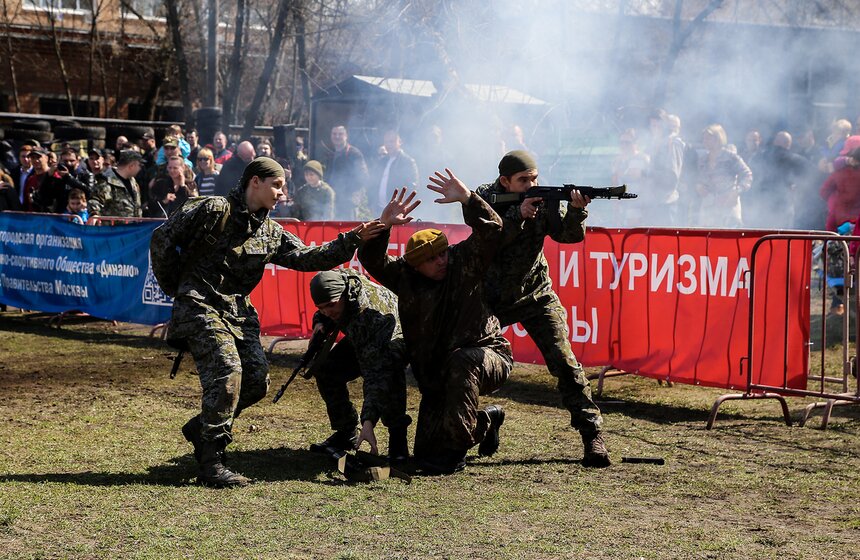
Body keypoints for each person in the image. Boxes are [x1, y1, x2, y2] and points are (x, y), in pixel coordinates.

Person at [149, 156, 386, 488]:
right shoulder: (213, 209)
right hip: (200, 305)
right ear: (254, 182)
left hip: (238, 312)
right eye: (276, 184)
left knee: (257, 382)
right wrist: (177, 288)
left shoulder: (271, 233)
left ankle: (203, 427)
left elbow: (310, 258)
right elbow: (161, 239)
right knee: (227, 372)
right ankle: (212, 462)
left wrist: (356, 238)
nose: (282, 192)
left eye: (284, 186)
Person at [358, 176, 511, 475]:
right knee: (426, 453)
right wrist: (384, 225)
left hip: (486, 357)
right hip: (440, 376)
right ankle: (485, 421)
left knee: (463, 361)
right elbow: (371, 259)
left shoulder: (463, 262)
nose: (441, 261)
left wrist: (468, 199)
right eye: (431, 259)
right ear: (415, 266)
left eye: (442, 252)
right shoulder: (405, 276)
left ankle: (456, 454)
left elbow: (493, 230)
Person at [474, 150, 611, 468]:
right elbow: (486, 240)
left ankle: (592, 435)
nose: (532, 185)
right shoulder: (484, 197)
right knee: (466, 362)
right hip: (491, 299)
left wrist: (576, 212)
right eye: (524, 181)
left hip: (536, 295)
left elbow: (568, 237)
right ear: (505, 181)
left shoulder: (545, 199)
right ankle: (477, 423)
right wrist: (517, 214)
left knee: (565, 363)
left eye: (534, 179)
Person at [306, 268, 411, 462]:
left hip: (397, 336)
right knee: (326, 370)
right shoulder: (342, 282)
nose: (327, 311)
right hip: (364, 335)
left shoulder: (368, 316)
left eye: (331, 305)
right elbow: (327, 304)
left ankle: (398, 443)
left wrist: (368, 422)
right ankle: (347, 432)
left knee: (389, 371)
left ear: (344, 295)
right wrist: (319, 321)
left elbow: (375, 375)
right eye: (321, 307)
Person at [695, 124, 753, 227]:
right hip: (709, 207)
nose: (704, 140)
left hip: (728, 206)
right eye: (704, 138)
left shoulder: (731, 157)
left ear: (718, 139)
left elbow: (747, 175)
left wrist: (736, 192)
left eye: (708, 138)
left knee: (729, 239)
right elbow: (698, 179)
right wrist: (698, 186)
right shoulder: (703, 159)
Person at [322, 125, 370, 220]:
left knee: (349, 231)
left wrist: (351, 195)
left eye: (340, 134)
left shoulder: (354, 154)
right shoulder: (329, 154)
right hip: (332, 201)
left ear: (346, 136)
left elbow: (364, 177)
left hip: (348, 203)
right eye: (334, 134)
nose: (337, 137)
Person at [371, 130, 419, 213]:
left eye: (392, 141)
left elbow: (412, 186)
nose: (389, 144)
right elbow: (374, 183)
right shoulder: (382, 161)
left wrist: (402, 206)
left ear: (399, 142)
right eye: (386, 142)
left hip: (397, 211)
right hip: (379, 210)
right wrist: (371, 203)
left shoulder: (407, 162)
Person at [89, 149, 144, 219]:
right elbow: (94, 201)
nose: (140, 168)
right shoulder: (106, 181)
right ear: (131, 166)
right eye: (139, 165)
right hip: (114, 228)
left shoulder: (133, 182)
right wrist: (94, 215)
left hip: (134, 227)